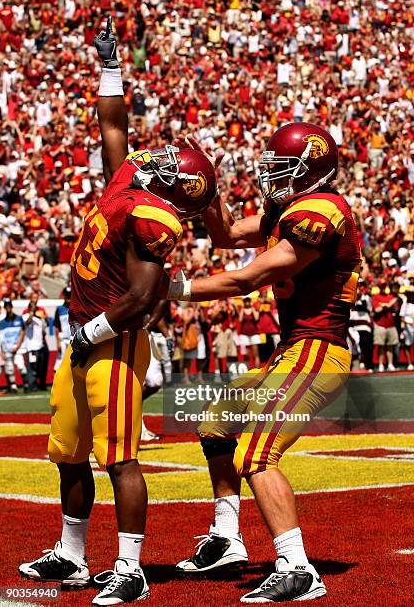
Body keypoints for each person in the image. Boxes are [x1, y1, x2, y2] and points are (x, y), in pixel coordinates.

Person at [19, 18, 218, 606]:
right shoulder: (128, 182)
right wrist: (109, 66)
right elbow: (112, 123)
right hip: (82, 338)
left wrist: (92, 334)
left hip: (114, 342)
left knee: (121, 459)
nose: (154, 154)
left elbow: (142, 299)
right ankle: (73, 556)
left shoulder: (157, 219)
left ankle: (129, 567)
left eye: (170, 160)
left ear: (178, 187)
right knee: (68, 453)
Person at [162, 124, 361, 603]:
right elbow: (227, 234)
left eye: (282, 167)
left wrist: (171, 291)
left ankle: (297, 567)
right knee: (215, 424)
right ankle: (228, 537)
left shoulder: (323, 211)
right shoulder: (289, 209)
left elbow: (245, 280)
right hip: (292, 349)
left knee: (256, 452)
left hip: (318, 350)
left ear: (310, 169)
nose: (271, 177)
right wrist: (206, 185)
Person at [0, 298, 28, 393]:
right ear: (4, 307)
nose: (8, 308)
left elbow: (22, 333)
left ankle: (26, 386)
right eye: (6, 306)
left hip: (17, 349)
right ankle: (13, 387)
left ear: (11, 306)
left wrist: (18, 346)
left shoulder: (19, 318)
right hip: (7, 350)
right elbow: (2, 338)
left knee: (21, 367)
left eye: (9, 306)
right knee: (10, 369)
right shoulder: (2, 322)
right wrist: (2, 351)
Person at [372, 279, 399, 371]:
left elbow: (395, 309)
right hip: (380, 324)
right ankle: (380, 365)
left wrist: (385, 305)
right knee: (381, 345)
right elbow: (377, 310)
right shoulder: (376, 297)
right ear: (379, 286)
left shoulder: (390, 296)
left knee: (390, 345)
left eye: (384, 285)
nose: (383, 287)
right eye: (382, 285)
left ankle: (390, 364)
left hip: (391, 324)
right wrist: (387, 305)